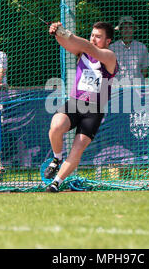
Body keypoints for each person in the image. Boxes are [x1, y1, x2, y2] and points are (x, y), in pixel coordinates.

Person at [44, 21, 118, 192]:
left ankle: (56, 183)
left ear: (108, 41)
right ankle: (56, 158)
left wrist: (67, 34)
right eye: (92, 35)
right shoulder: (82, 52)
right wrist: (57, 33)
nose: (93, 39)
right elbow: (68, 44)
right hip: (74, 103)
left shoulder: (109, 56)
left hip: (93, 111)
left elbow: (88, 47)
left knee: (77, 149)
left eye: (98, 36)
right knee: (56, 126)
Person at [109, 16, 149, 83]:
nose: (127, 29)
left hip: (137, 87)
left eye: (130, 27)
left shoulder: (141, 47)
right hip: (119, 87)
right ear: (120, 30)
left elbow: (145, 69)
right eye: (124, 27)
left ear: (134, 29)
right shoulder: (112, 48)